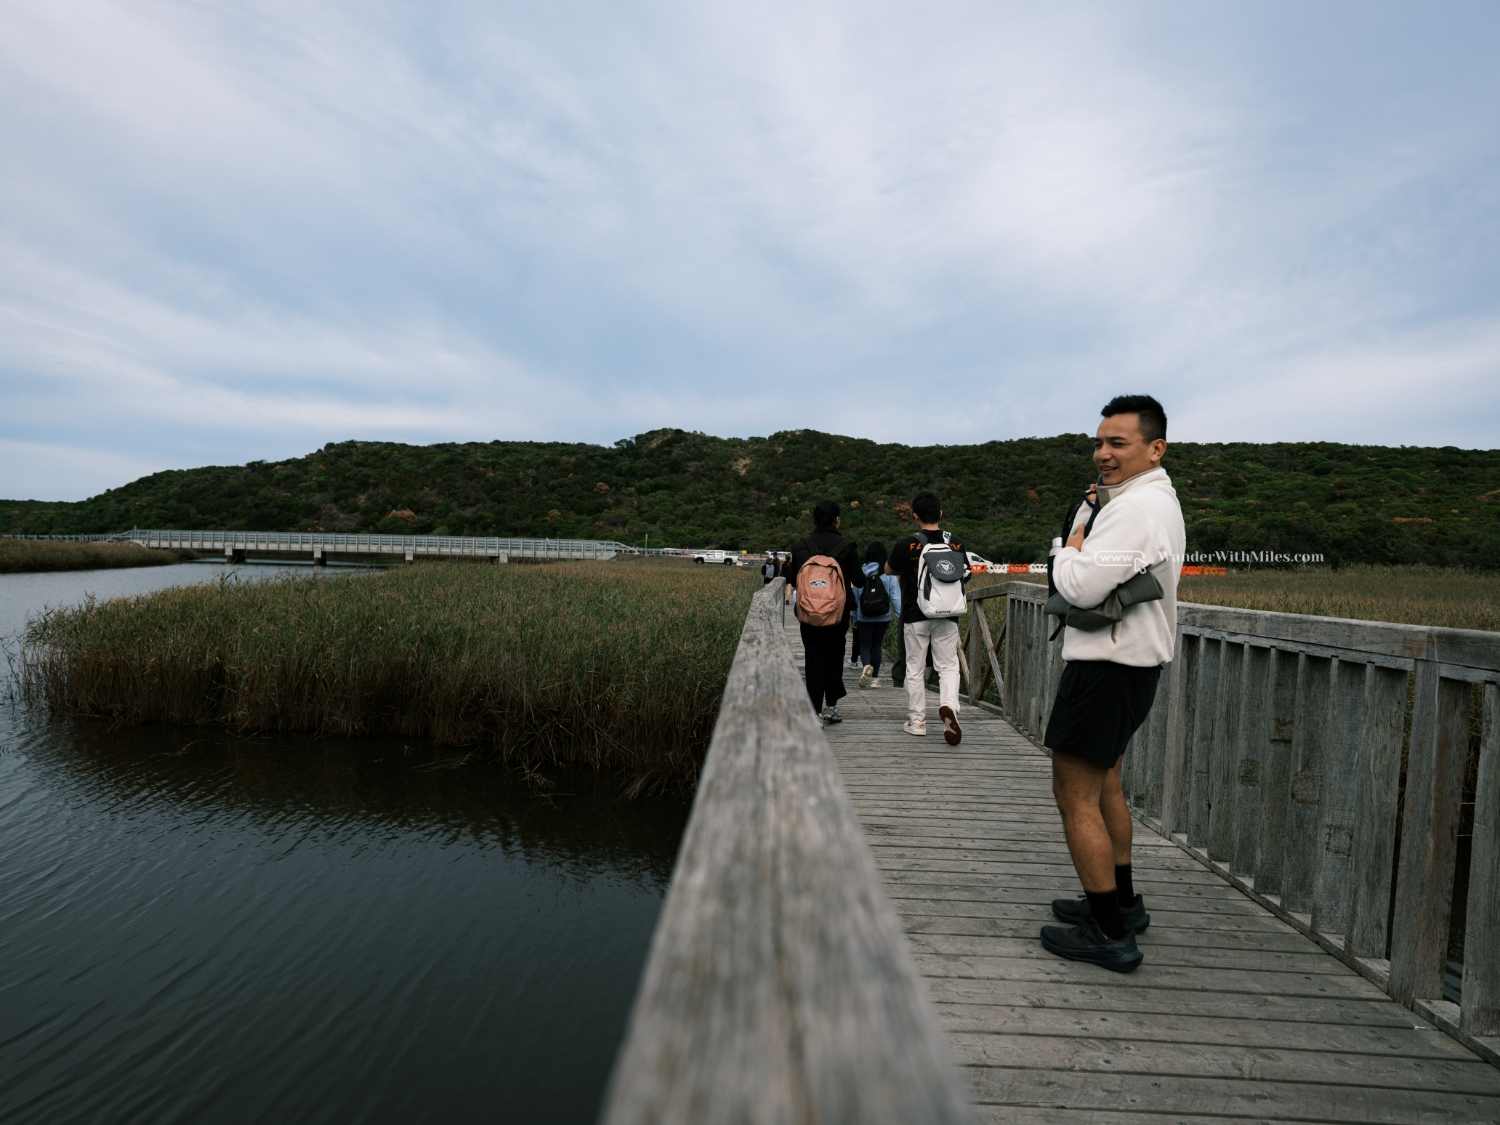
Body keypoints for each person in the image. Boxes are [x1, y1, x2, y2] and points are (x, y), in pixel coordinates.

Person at [1040, 394, 1186, 974]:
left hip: (1105, 668)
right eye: (1099, 443)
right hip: (1133, 668)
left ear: (1155, 448)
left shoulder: (1136, 509)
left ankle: (1107, 934)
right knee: (1107, 789)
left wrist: (1065, 548)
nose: (1102, 453)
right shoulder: (1153, 499)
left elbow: (1077, 586)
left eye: (1117, 443)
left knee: (1075, 797)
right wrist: (1087, 516)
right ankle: (1121, 903)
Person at [885, 491, 966, 744]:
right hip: (949, 614)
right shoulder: (956, 543)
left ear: (915, 516)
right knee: (948, 666)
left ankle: (917, 721)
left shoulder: (906, 544)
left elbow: (888, 569)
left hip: (915, 613)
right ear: (940, 514)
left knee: (915, 668)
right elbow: (966, 573)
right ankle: (949, 706)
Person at [784, 500, 864, 724]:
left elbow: (793, 580)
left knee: (813, 658)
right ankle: (831, 707)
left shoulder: (800, 547)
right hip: (837, 616)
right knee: (834, 658)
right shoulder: (847, 546)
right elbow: (859, 580)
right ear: (837, 520)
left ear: (814, 520)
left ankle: (814, 711)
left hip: (808, 614)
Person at [851, 541, 901, 689]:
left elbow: (855, 595)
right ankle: (875, 680)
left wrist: (854, 617)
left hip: (864, 615)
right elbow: (895, 598)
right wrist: (901, 618)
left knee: (865, 645)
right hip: (883, 616)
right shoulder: (889, 573)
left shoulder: (861, 571)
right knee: (876, 646)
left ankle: (866, 665)